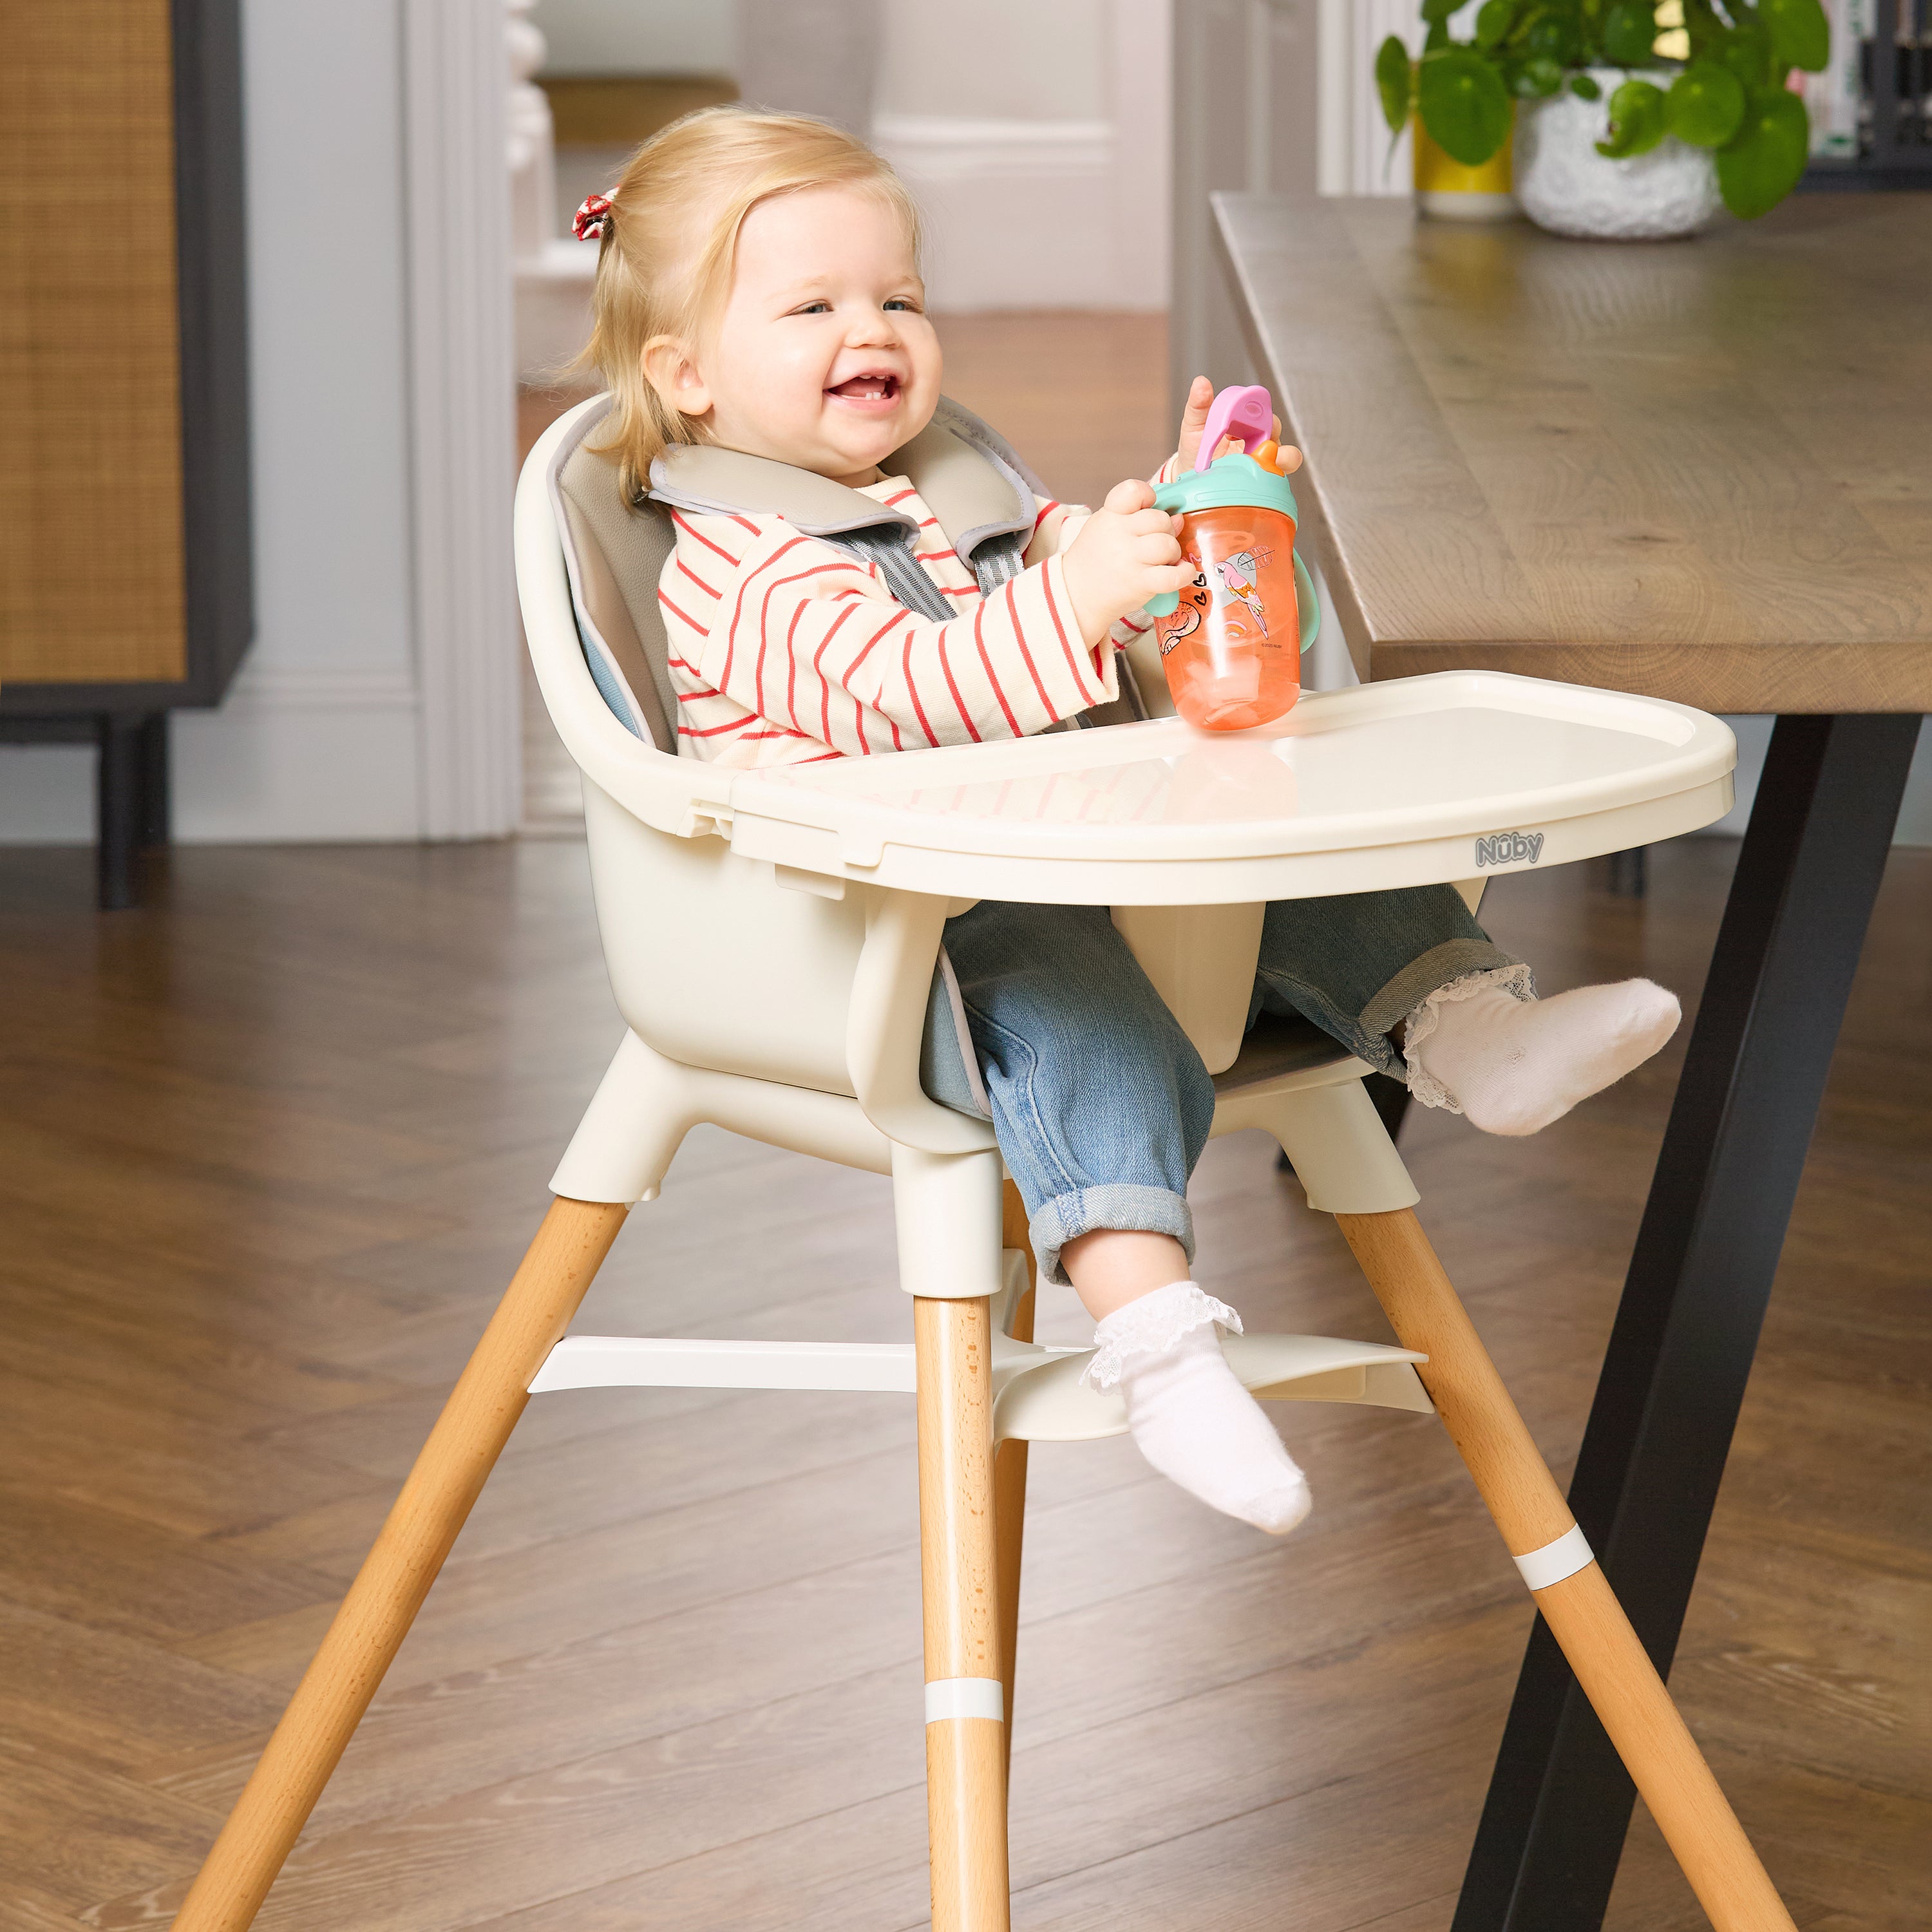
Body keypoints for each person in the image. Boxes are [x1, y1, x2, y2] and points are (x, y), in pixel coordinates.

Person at [572, 107, 1681, 1536]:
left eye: (899, 296)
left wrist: (1157, 538)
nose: (878, 328)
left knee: (1288, 862)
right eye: (815, 306)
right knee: (1065, 994)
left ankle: (1472, 1032)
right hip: (880, 951)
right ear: (688, 378)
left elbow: (1056, 594)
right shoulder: (739, 571)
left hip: (1051, 860)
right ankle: (1157, 1341)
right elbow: (911, 689)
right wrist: (1068, 600)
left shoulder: (931, 496)